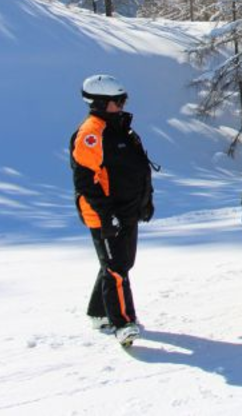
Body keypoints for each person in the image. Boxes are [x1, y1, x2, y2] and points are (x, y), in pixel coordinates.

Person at [70, 74, 155, 346]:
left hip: (128, 209)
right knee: (116, 268)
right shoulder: (90, 135)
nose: (122, 105)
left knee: (119, 264)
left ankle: (99, 312)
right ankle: (123, 323)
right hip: (106, 215)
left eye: (123, 99)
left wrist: (145, 200)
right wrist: (109, 216)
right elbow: (86, 183)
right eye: (117, 101)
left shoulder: (122, 129)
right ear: (99, 103)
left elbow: (138, 169)